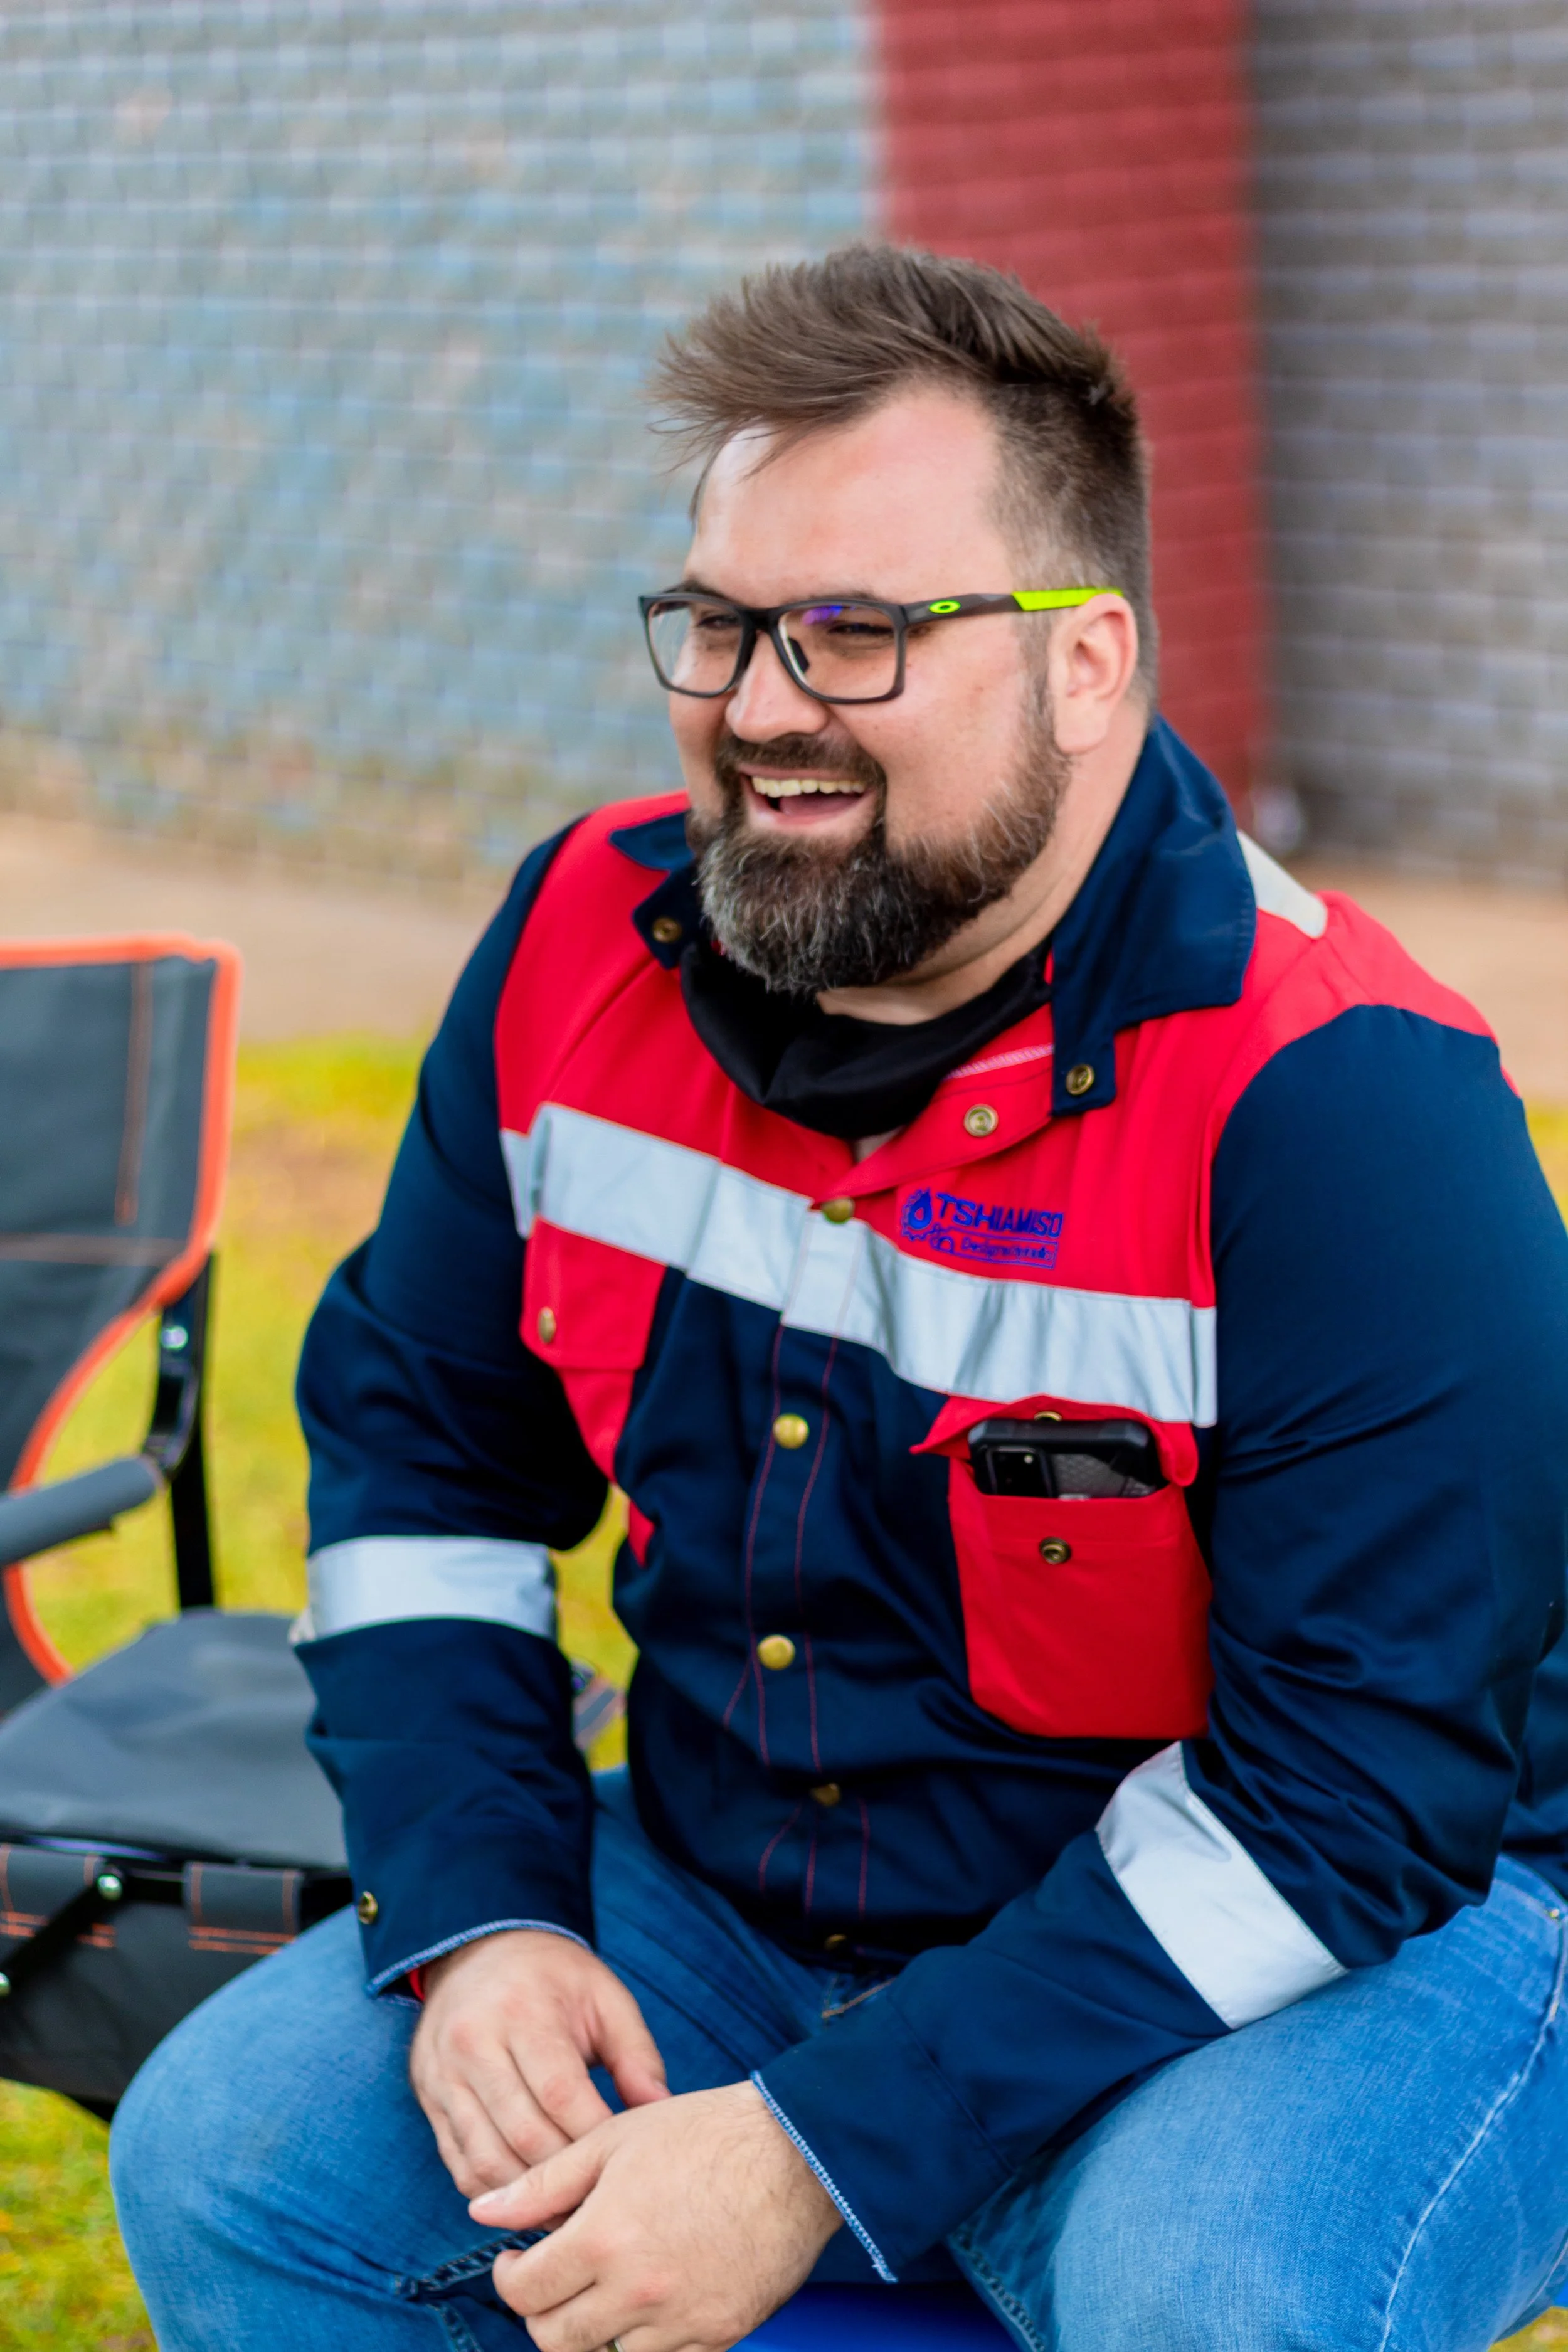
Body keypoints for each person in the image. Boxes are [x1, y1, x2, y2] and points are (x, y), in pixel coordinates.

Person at [112, 246, 1568, 2352]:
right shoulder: (566, 952)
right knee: (231, 2156)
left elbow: (1346, 1795)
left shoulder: (1341, 1105)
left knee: (1200, 2295)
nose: (761, 704)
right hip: (739, 1889)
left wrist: (807, 2144)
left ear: (1086, 666)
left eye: (860, 632)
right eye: (714, 624)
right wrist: (484, 1915)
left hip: (1333, 1937)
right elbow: (421, 1460)